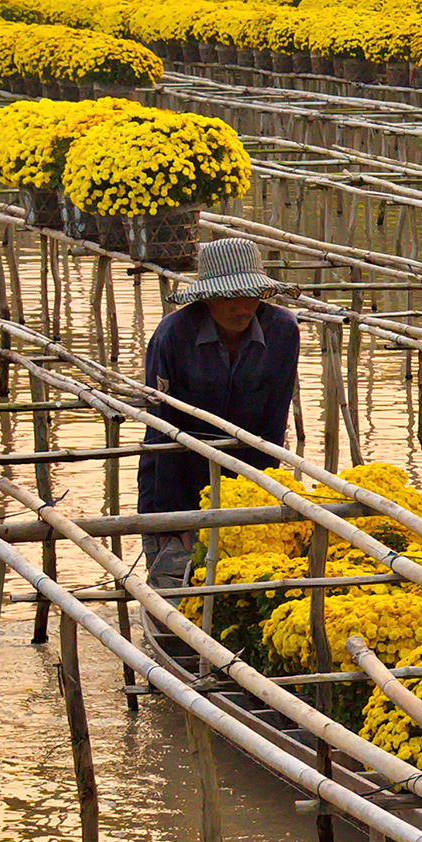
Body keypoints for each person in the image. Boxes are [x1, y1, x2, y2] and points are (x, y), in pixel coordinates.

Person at [133, 238, 301, 593]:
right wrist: (173, 520)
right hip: (175, 474)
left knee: (245, 585)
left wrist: (263, 498)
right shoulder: (173, 337)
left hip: (245, 474)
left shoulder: (282, 331)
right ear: (207, 298)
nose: (241, 308)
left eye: (250, 295)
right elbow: (161, 429)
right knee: (176, 584)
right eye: (229, 298)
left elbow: (274, 423)